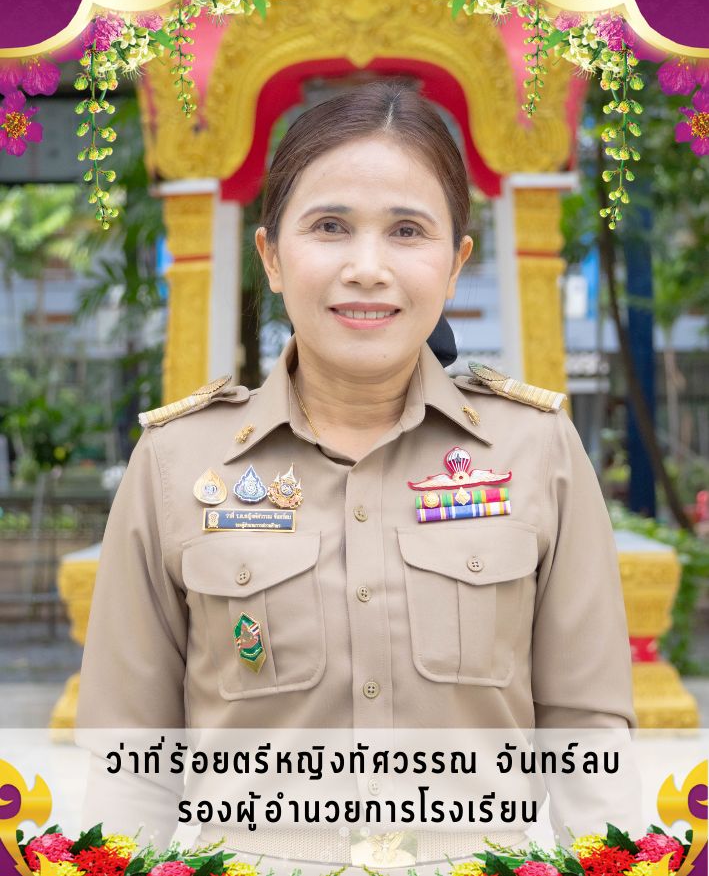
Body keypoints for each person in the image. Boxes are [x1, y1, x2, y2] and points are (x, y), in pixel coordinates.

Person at [76, 80, 640, 875]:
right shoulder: (177, 462)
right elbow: (130, 753)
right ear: (272, 257)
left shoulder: (535, 449)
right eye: (329, 227)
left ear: (454, 264)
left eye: (407, 230)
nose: (367, 268)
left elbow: (585, 733)